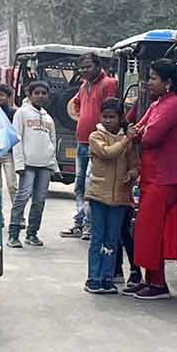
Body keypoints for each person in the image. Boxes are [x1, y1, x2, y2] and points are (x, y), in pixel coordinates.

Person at [124, 59, 177, 301]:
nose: (148, 82)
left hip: (166, 177)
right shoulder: (160, 104)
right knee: (147, 229)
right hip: (153, 175)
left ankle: (158, 283)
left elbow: (149, 136)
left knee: (151, 230)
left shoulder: (176, 106)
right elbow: (136, 128)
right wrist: (137, 132)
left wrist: (137, 133)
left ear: (168, 82)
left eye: (153, 78)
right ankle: (152, 280)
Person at [84, 98, 139, 294]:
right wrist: (126, 140)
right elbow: (108, 153)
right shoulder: (95, 137)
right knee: (98, 238)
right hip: (99, 195)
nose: (108, 120)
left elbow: (134, 164)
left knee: (112, 239)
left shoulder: (127, 140)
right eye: (105, 116)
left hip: (120, 198)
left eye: (112, 117)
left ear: (120, 118)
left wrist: (131, 175)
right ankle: (93, 278)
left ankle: (107, 278)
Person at [60, 52, 118, 240]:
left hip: (97, 143)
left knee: (90, 185)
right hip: (82, 142)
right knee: (79, 186)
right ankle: (79, 222)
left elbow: (110, 110)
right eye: (82, 68)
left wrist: (98, 128)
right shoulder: (84, 85)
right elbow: (76, 103)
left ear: (97, 66)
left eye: (88, 67)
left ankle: (89, 226)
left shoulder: (108, 84)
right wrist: (82, 118)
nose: (84, 71)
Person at [9, 81, 59, 248]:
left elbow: (51, 143)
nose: (40, 96)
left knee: (40, 201)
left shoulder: (48, 118)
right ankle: (13, 234)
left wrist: (54, 167)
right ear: (29, 95)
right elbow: (16, 139)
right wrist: (19, 165)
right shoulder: (22, 113)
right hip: (28, 165)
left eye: (44, 93)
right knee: (22, 197)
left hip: (44, 165)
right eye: (36, 93)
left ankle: (32, 234)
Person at [0, 84, 20, 209]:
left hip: (9, 153)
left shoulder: (14, 113)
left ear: (8, 97)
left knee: (12, 185)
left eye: (1, 95)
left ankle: (18, 216)